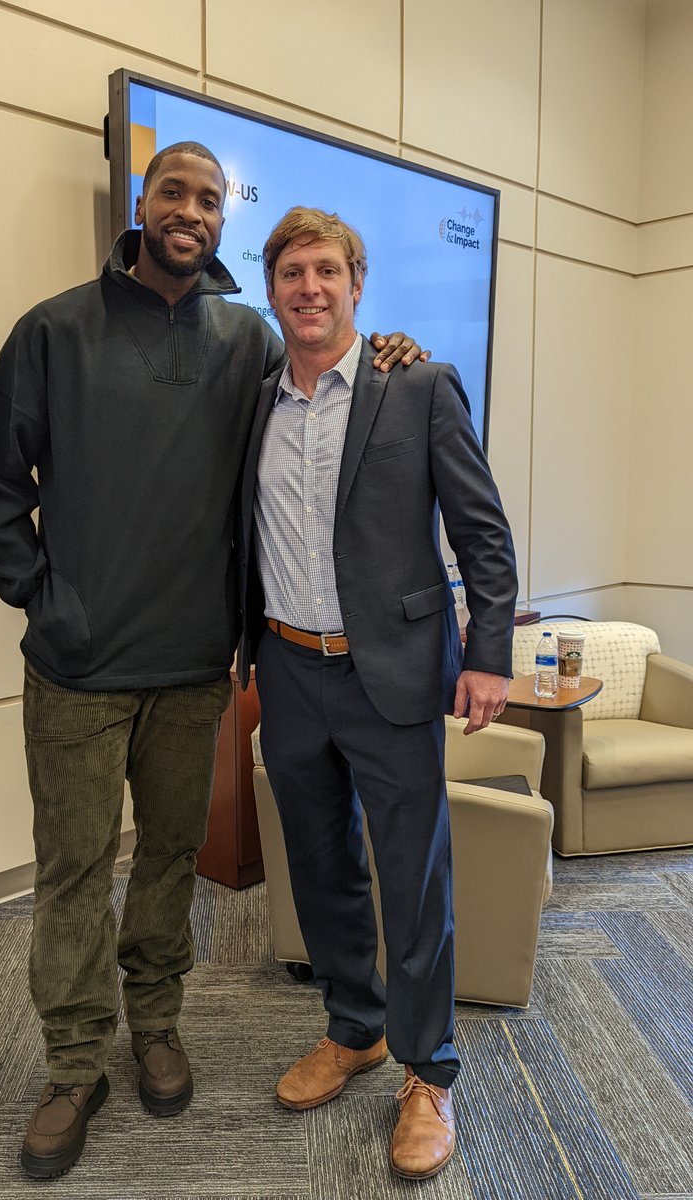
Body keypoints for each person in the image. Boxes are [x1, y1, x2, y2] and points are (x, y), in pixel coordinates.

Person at [0, 143, 425, 1180]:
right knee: (75, 872)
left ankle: (156, 1026)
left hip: (189, 672)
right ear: (143, 203)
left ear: (223, 219)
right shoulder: (53, 331)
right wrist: (45, 597)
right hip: (77, 668)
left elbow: (321, 383)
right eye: (174, 192)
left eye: (210, 200)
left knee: (170, 861)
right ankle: (75, 1062)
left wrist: (385, 346)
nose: (191, 212)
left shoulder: (245, 340)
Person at [237, 207, 517, 1180]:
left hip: (389, 671)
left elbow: (482, 535)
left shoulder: (420, 384)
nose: (307, 288)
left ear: (356, 285)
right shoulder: (249, 401)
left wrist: (487, 652)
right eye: (289, 273)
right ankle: (352, 1027)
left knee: (414, 879)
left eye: (325, 270)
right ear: (270, 289)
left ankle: (428, 1071)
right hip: (287, 668)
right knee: (318, 868)